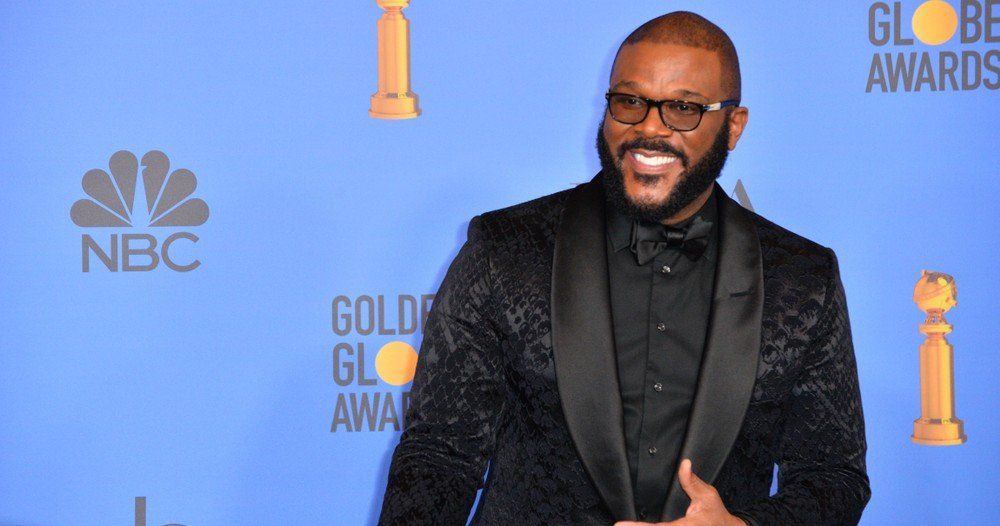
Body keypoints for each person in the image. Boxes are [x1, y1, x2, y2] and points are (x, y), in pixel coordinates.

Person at [377, 10, 869, 526]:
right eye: (630, 102)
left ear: (733, 126)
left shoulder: (801, 277)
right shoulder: (505, 251)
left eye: (683, 108)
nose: (650, 128)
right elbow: (438, 456)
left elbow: (832, 477)